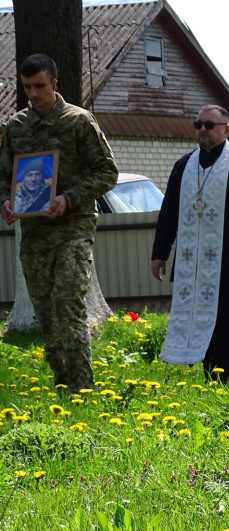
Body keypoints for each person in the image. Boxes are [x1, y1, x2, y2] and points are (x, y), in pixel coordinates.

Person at [0, 53, 118, 393]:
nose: (33, 94)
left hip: (73, 228)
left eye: (39, 86)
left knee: (67, 299)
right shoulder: (16, 127)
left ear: (54, 84)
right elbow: (2, 178)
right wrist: (6, 203)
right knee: (46, 311)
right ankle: (63, 381)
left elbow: (106, 172)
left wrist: (69, 198)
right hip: (34, 234)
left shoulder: (79, 122)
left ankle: (84, 386)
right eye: (27, 88)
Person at [151, 105, 229, 382]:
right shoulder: (184, 166)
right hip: (193, 260)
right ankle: (211, 374)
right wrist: (160, 253)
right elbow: (169, 213)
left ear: (226, 129)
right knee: (204, 319)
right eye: (198, 125)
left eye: (209, 125)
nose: (202, 129)